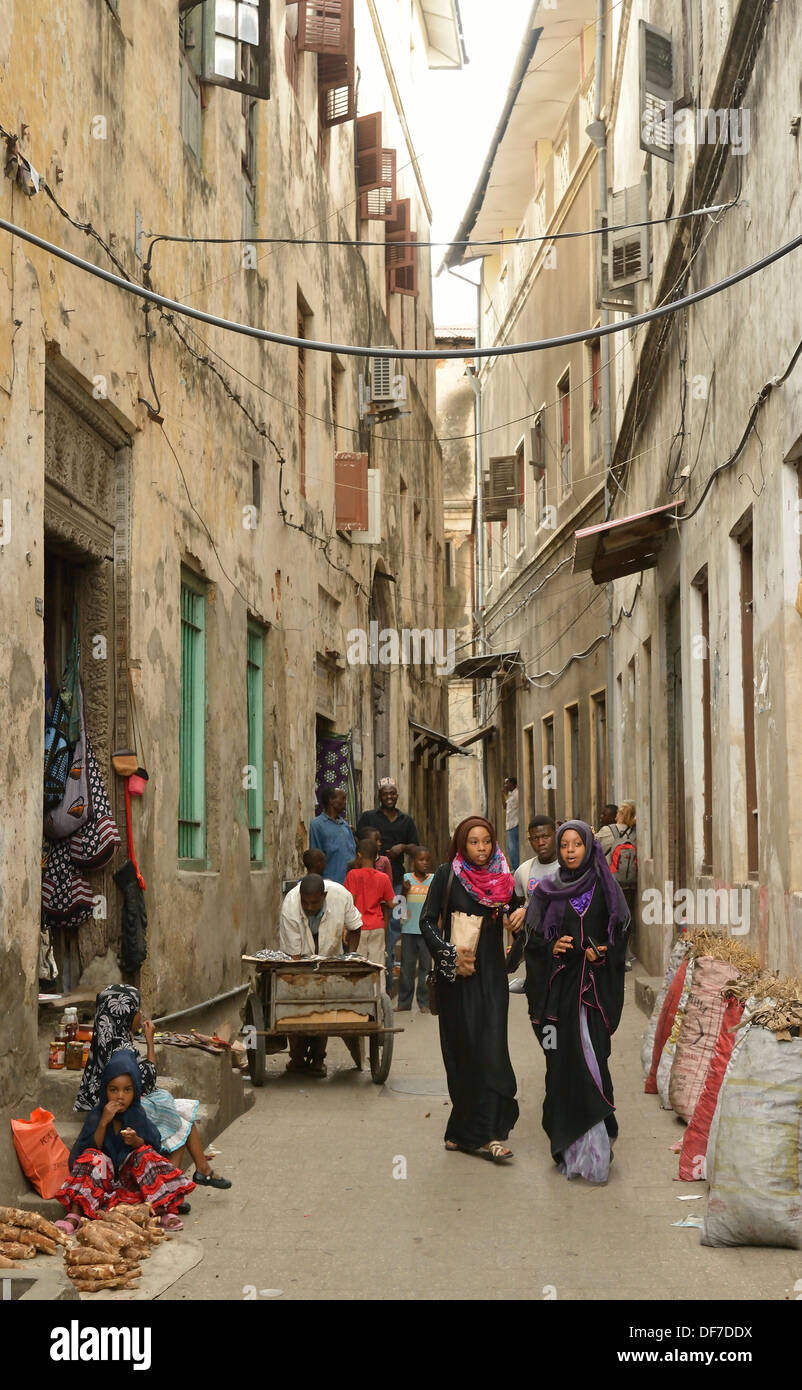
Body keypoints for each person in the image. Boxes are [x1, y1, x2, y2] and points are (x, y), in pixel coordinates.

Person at [521, 820, 630, 1184]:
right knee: (563, 1064)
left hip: (595, 992)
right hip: (561, 992)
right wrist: (551, 947)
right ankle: (570, 1146)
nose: (569, 850)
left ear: (588, 848)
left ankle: (598, 1146)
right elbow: (532, 941)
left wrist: (604, 951)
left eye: (576, 844)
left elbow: (621, 932)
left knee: (595, 1060)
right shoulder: (546, 891)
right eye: (564, 844)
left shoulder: (606, 887)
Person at [419, 816, 518, 1163]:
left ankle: (489, 1134)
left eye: (486, 841)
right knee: (463, 1051)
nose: (481, 848)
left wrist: (521, 919)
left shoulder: (504, 877)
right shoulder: (447, 874)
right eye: (474, 842)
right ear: (462, 844)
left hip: (491, 978)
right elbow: (427, 920)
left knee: (491, 1050)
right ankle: (460, 1132)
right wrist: (447, 953)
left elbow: (518, 915)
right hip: (457, 980)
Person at [74, 983, 231, 1190]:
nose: (141, 1014)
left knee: (182, 1115)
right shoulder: (121, 1048)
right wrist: (149, 1042)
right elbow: (148, 1082)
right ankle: (174, 1183)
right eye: (137, 1009)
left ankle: (193, 1174)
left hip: (110, 1103)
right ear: (126, 1013)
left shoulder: (105, 1037)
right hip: (121, 1109)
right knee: (182, 1121)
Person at [55, 1049, 196, 1232]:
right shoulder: (97, 1115)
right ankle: (74, 1215)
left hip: (132, 1186)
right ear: (105, 1090)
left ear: (135, 1090)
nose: (120, 1096)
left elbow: (153, 1146)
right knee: (92, 1156)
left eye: (127, 1090)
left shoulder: (138, 1115)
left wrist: (136, 1141)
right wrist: (103, 1122)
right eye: (114, 1090)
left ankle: (162, 1211)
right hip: (102, 1186)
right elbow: (87, 1149)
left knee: (145, 1153)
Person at [278, 872, 362, 1077]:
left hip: (331, 956)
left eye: (314, 903)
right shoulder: (290, 906)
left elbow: (355, 926)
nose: (308, 907)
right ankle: (297, 1058)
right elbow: (295, 955)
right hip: (300, 957)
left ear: (324, 897)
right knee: (297, 1001)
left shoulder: (341, 896)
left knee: (326, 1001)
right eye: (305, 903)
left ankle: (318, 1059)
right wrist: (302, 982)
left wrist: (350, 957)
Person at [356, 777, 420, 992]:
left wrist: (401, 847)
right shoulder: (368, 817)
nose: (389, 797)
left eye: (393, 794)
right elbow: (358, 840)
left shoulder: (406, 820)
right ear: (379, 797)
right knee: (369, 922)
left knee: (394, 924)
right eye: (385, 794)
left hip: (396, 881)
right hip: (370, 881)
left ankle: (389, 971)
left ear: (397, 796)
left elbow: (417, 848)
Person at [345, 839, 395, 969]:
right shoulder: (383, 877)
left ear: (359, 855)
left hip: (357, 927)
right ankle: (380, 989)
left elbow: (350, 902)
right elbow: (391, 903)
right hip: (377, 926)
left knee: (359, 966)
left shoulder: (353, 875)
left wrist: (345, 928)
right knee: (378, 966)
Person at [397, 847, 434, 1013]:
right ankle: (404, 1002)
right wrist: (404, 891)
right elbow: (400, 909)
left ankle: (424, 1001)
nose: (424, 863)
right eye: (421, 860)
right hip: (409, 930)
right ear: (413, 862)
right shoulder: (406, 879)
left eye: (427, 860)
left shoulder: (433, 879)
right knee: (407, 968)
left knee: (426, 967)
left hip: (426, 931)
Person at [309, 785, 357, 885]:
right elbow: (315, 857)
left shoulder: (345, 825)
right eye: (342, 799)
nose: (345, 803)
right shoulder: (317, 825)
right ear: (331, 801)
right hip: (331, 882)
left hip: (351, 882)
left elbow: (353, 851)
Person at [503, 777, 520, 870]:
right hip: (509, 824)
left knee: (513, 848)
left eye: (507, 783)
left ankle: (516, 867)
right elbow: (504, 806)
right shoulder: (510, 794)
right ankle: (514, 867)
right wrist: (503, 793)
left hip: (514, 824)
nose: (505, 786)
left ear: (513, 784)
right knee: (510, 848)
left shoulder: (517, 794)